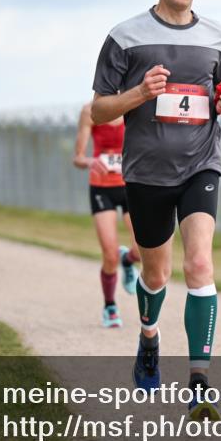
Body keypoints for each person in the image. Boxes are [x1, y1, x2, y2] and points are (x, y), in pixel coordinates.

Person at [91, 0, 221, 420]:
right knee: (156, 275)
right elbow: (98, 110)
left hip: (201, 165)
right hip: (147, 174)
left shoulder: (217, 36)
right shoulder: (125, 36)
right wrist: (138, 93)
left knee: (199, 265)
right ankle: (149, 335)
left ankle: (199, 383)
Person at [73, 104, 143, 328]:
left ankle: (128, 260)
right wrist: (90, 162)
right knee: (109, 255)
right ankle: (110, 306)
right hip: (102, 188)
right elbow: (78, 157)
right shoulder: (91, 111)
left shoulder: (135, 106)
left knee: (142, 250)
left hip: (131, 185)